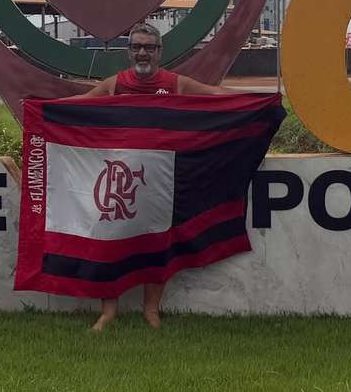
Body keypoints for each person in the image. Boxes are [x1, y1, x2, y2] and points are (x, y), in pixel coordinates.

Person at [73, 22, 237, 331]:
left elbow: (215, 96)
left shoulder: (176, 83)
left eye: (149, 47)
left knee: (157, 244)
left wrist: (256, 101)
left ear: (159, 51)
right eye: (137, 47)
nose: (142, 52)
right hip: (118, 182)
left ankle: (151, 310)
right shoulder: (114, 85)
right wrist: (40, 107)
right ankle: (108, 312)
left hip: (160, 180)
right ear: (128, 51)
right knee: (111, 244)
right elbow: (78, 107)